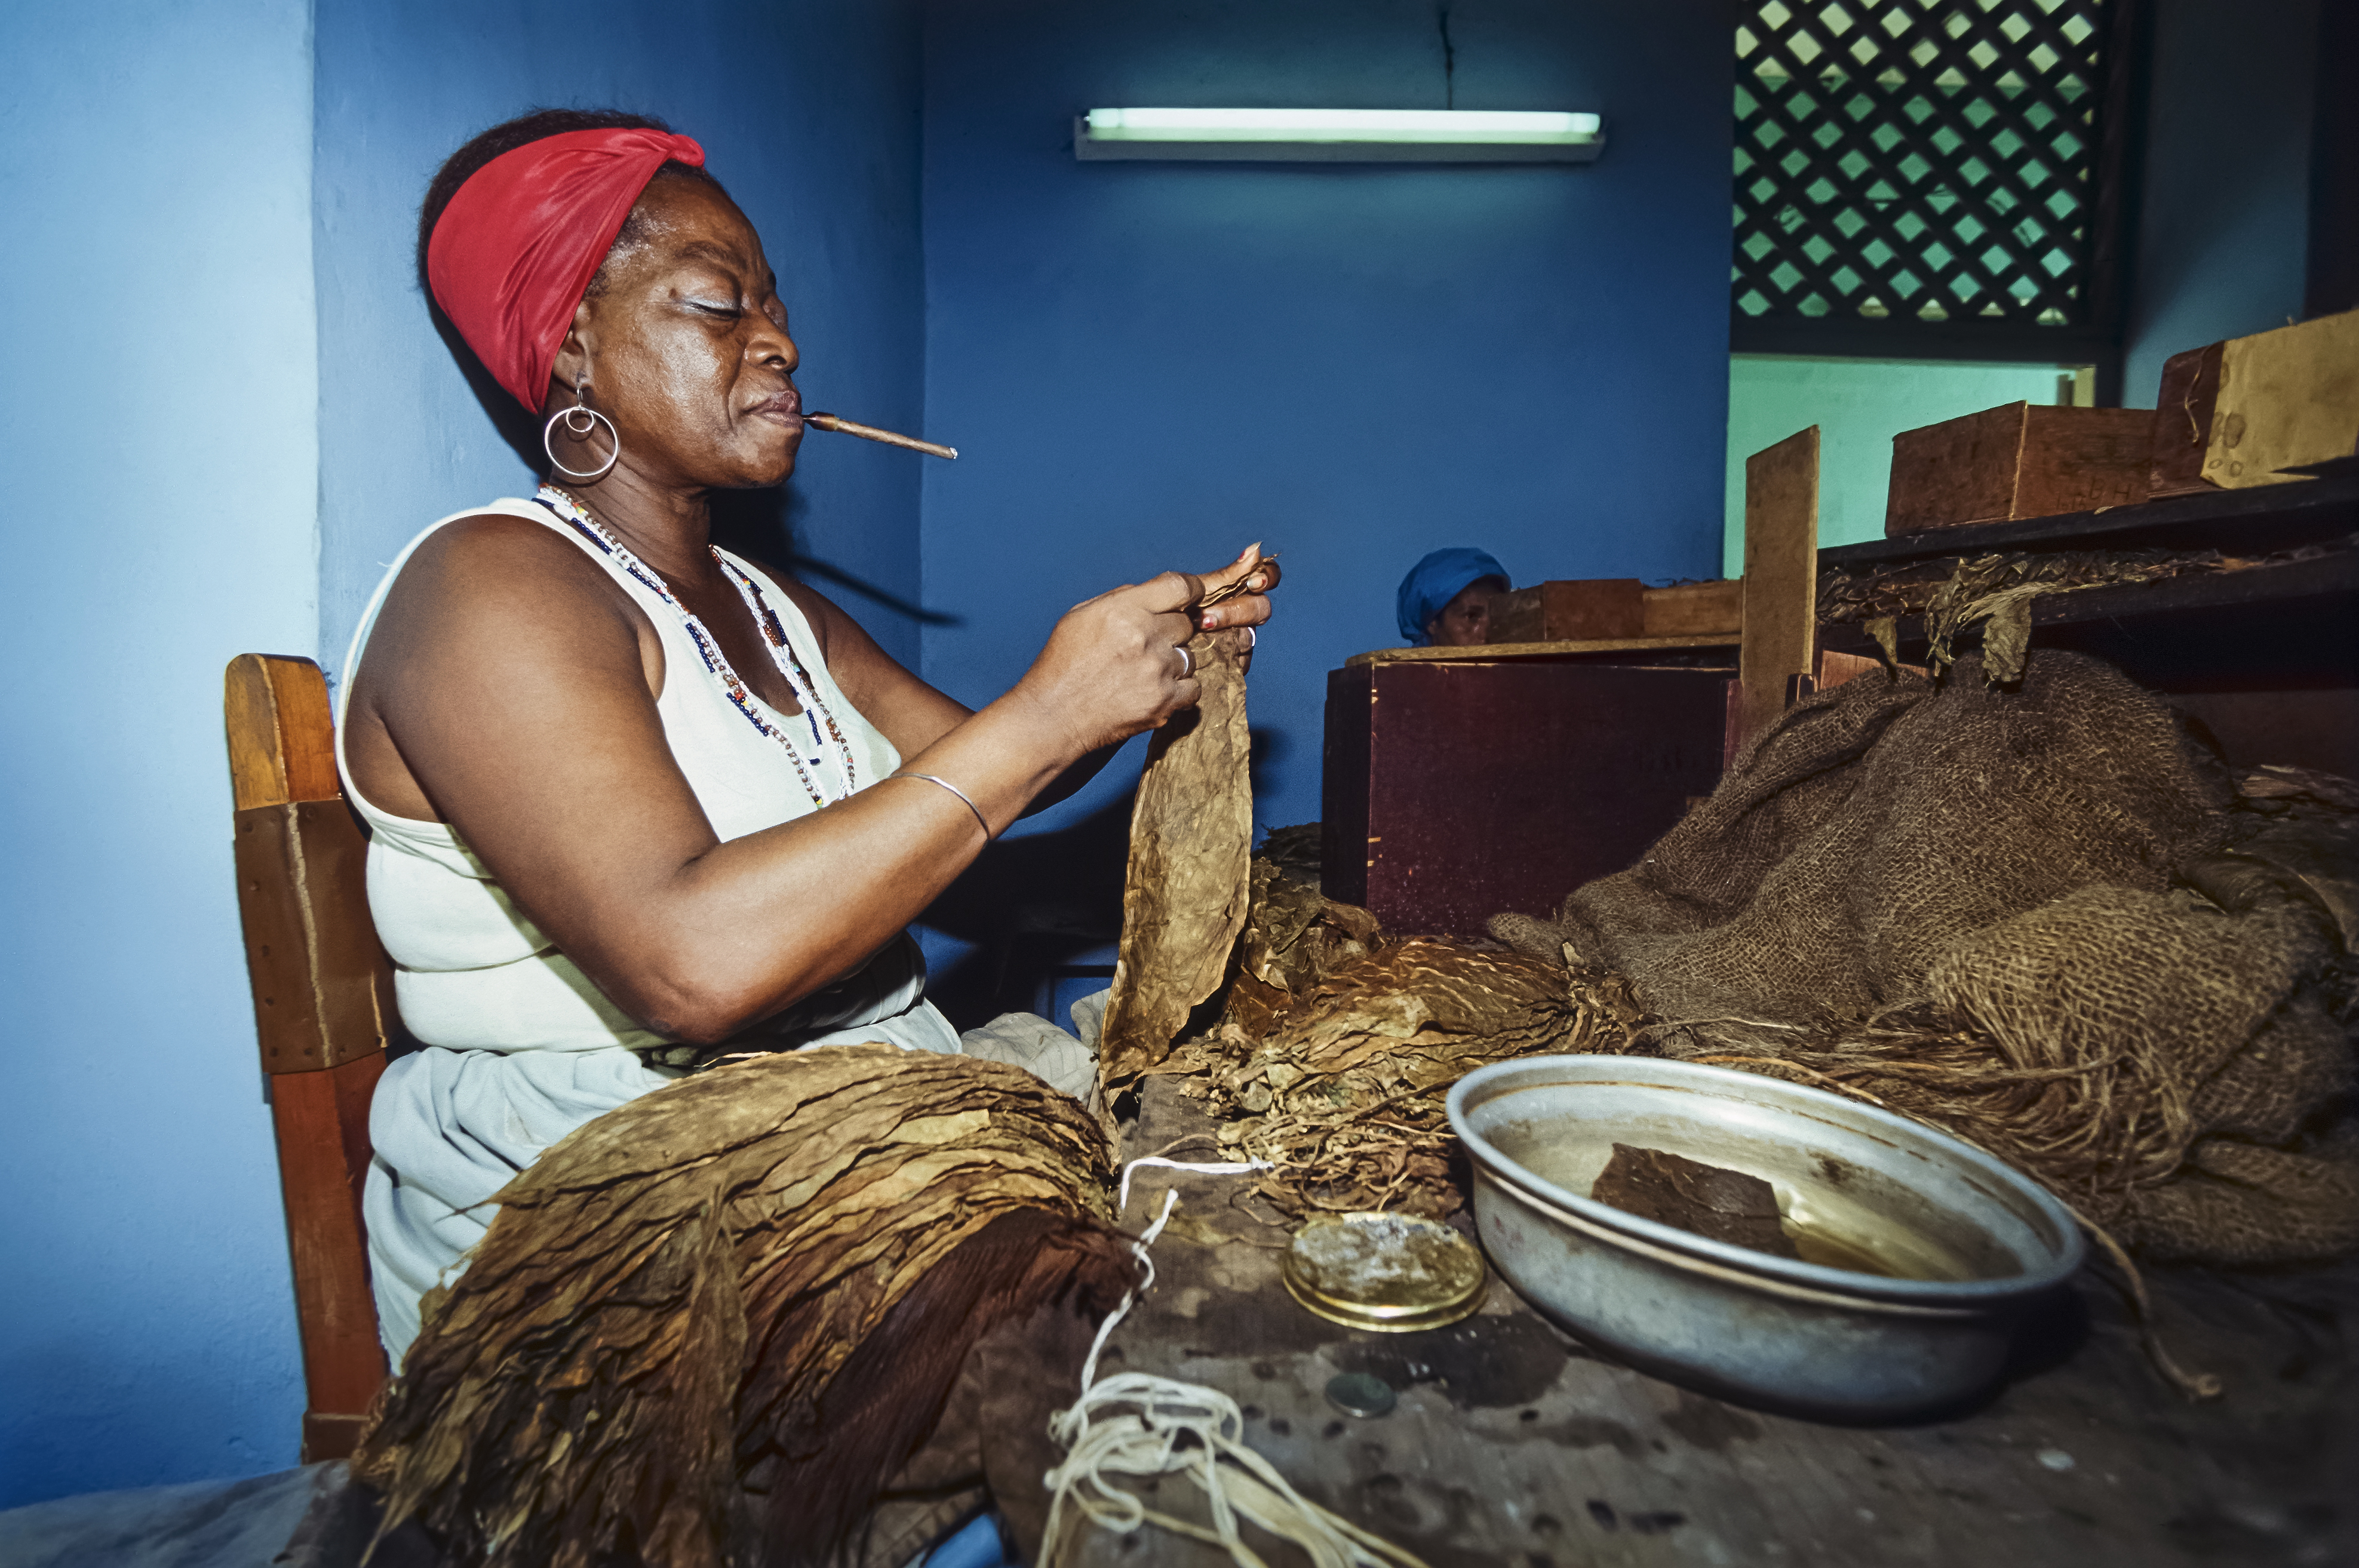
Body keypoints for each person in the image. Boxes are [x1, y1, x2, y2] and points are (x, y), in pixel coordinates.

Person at [337, 109, 1274, 1359]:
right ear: (571, 342)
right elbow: (690, 964)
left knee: (1249, 1178)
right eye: (717, 305)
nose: (778, 340)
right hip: (609, 1214)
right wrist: (1050, 709)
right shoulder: (488, 587)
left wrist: (1132, 679)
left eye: (771, 304)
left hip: (840, 1114)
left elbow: (1000, 769)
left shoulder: (775, 606)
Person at [1395, 547, 1509, 647]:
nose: (1487, 634)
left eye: (1496, 617)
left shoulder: (1518, 670)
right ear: (1431, 623)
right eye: (1471, 616)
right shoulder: (1403, 671)